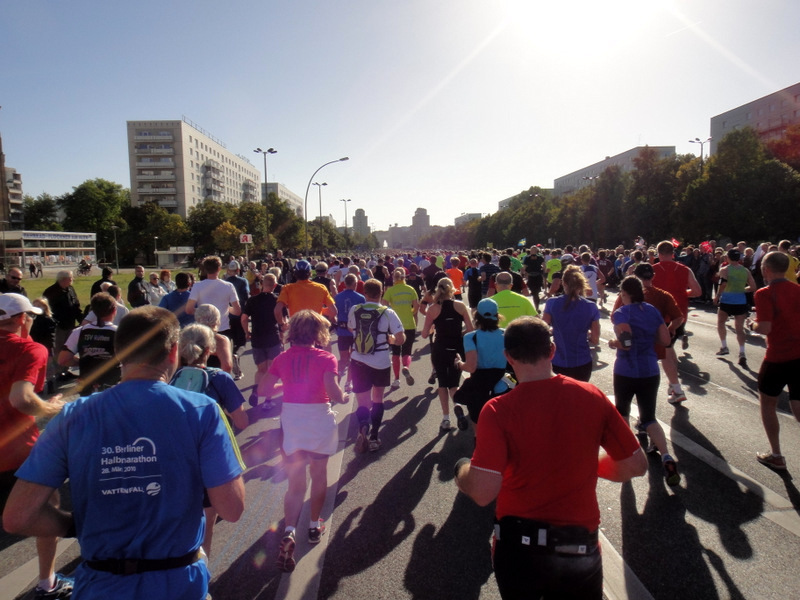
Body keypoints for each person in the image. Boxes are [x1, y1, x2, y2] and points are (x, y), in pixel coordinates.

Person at [3, 306, 245, 600]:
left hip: (100, 583)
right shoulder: (202, 410)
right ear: (173, 353)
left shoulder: (73, 416)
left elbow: (17, 517)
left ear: (118, 355)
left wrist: (72, 524)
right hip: (179, 581)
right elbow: (232, 508)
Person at [453, 316, 647, 600]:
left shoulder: (497, 410)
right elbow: (635, 464)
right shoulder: (591, 396)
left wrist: (462, 472)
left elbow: (483, 492)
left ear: (509, 357)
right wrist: (583, 464)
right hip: (578, 546)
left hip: (519, 548)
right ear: (552, 350)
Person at [258, 310, 345, 572]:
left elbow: (263, 390)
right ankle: (313, 525)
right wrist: (342, 394)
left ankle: (289, 529)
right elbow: (334, 393)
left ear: (292, 332)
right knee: (319, 476)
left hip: (292, 422)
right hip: (318, 420)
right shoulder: (327, 358)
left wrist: (288, 385)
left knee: (295, 485)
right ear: (319, 333)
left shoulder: (282, 358)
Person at [0, 293, 74, 600]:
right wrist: (50, 408)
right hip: (17, 453)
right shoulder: (31, 349)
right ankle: (47, 583)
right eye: (29, 316)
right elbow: (21, 399)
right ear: (21, 319)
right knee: (49, 511)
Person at [173, 324, 248, 556]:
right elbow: (242, 421)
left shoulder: (170, 378)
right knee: (208, 517)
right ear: (210, 350)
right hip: (210, 458)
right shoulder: (219, 379)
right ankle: (200, 571)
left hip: (177, 456)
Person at [610, 276, 680, 486]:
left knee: (622, 413)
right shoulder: (651, 310)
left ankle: (627, 457)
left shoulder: (621, 313)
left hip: (627, 370)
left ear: (624, 294)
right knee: (649, 417)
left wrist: (614, 342)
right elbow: (666, 340)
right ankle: (667, 456)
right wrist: (649, 337)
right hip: (650, 369)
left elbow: (627, 343)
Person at [748, 251, 800, 470]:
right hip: (799, 355)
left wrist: (752, 325)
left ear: (766, 269)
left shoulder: (764, 293)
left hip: (778, 357)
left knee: (768, 404)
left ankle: (776, 454)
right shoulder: (798, 290)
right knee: (798, 406)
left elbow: (765, 327)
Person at [348, 279, 405, 452]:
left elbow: (351, 329)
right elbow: (401, 338)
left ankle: (363, 426)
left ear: (364, 293)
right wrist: (391, 339)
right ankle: (374, 437)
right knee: (378, 399)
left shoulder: (355, 310)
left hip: (358, 360)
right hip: (380, 361)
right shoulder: (388, 312)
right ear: (381, 293)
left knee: (362, 401)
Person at [421, 277, 474, 431]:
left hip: (440, 348)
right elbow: (470, 330)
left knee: (442, 384)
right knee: (454, 384)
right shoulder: (460, 305)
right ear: (452, 289)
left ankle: (446, 418)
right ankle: (457, 405)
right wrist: (459, 333)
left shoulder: (433, 309)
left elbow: (424, 334)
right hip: (457, 348)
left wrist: (432, 330)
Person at [651, 240, 701, 397]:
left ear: (658, 254)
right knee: (669, 348)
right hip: (679, 315)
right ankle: (673, 383)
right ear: (673, 253)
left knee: (664, 352)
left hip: (660, 316)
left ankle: (676, 388)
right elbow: (697, 291)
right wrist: (682, 293)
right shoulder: (685, 269)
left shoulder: (652, 270)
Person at [453, 298, 507, 432]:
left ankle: (480, 450)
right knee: (502, 426)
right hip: (502, 383)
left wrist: (459, 364)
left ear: (476, 316)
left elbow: (471, 367)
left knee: (479, 427)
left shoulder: (471, 337)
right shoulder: (506, 334)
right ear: (497, 315)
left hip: (479, 386)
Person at [542, 265, 600, 382]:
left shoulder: (552, 303)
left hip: (558, 361)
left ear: (563, 283)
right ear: (581, 284)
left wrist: (555, 331)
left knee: (560, 398)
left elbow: (542, 330)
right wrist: (586, 334)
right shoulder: (590, 306)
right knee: (579, 397)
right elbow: (595, 339)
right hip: (582, 361)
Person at [58, 292, 121, 395]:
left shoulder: (79, 331)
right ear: (114, 310)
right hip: (113, 385)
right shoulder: (119, 332)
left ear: (93, 311)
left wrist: (83, 361)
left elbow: (63, 359)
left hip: (87, 385)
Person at [241, 273, 282, 408]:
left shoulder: (252, 300)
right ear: (275, 285)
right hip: (272, 337)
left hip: (257, 338)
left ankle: (256, 390)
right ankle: (268, 400)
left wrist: (247, 332)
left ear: (262, 284)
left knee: (261, 370)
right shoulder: (277, 300)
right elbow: (283, 320)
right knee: (271, 370)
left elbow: (244, 318)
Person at [714, 248, 756, 367]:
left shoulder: (724, 269)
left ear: (728, 258)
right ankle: (742, 352)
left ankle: (724, 346)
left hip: (727, 300)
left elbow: (723, 284)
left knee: (721, 323)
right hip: (740, 301)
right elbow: (753, 286)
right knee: (739, 328)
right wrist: (742, 289)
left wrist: (717, 296)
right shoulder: (745, 271)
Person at [186, 256, 242, 344]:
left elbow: (189, 309)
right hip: (222, 328)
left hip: (203, 329)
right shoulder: (228, 286)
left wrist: (203, 312)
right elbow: (237, 311)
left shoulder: (197, 286)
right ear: (219, 269)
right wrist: (226, 308)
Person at [382, 267, 420, 389]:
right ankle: (406, 367)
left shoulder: (390, 291)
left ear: (394, 278)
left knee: (395, 352)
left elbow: (383, 306)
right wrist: (411, 312)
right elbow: (416, 306)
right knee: (407, 350)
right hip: (409, 324)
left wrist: (392, 313)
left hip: (394, 326)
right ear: (404, 277)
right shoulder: (410, 289)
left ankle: (397, 379)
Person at [274, 260, 337, 329]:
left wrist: (282, 324)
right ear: (310, 273)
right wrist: (321, 312)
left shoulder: (287, 288)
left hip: (296, 327)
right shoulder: (321, 287)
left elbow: (277, 310)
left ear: (295, 274)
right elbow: (333, 311)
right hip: (316, 327)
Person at [43, 271, 82, 380]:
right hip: (58, 327)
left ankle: (65, 371)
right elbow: (46, 310)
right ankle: (58, 373)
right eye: (70, 278)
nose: (72, 280)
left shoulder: (71, 289)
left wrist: (82, 320)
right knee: (58, 350)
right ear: (63, 279)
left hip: (70, 325)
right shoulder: (50, 292)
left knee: (68, 349)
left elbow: (76, 306)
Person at [334, 273, 366, 396]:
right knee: (353, 358)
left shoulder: (337, 297)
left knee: (343, 359)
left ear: (345, 284)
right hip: (354, 332)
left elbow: (333, 313)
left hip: (342, 331)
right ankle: (348, 383)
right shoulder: (360, 298)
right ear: (355, 284)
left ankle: (337, 383)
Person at [194, 304, 234, 374]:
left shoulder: (187, 337)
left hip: (190, 380)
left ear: (197, 318)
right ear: (217, 320)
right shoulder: (221, 340)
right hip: (212, 379)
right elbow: (227, 366)